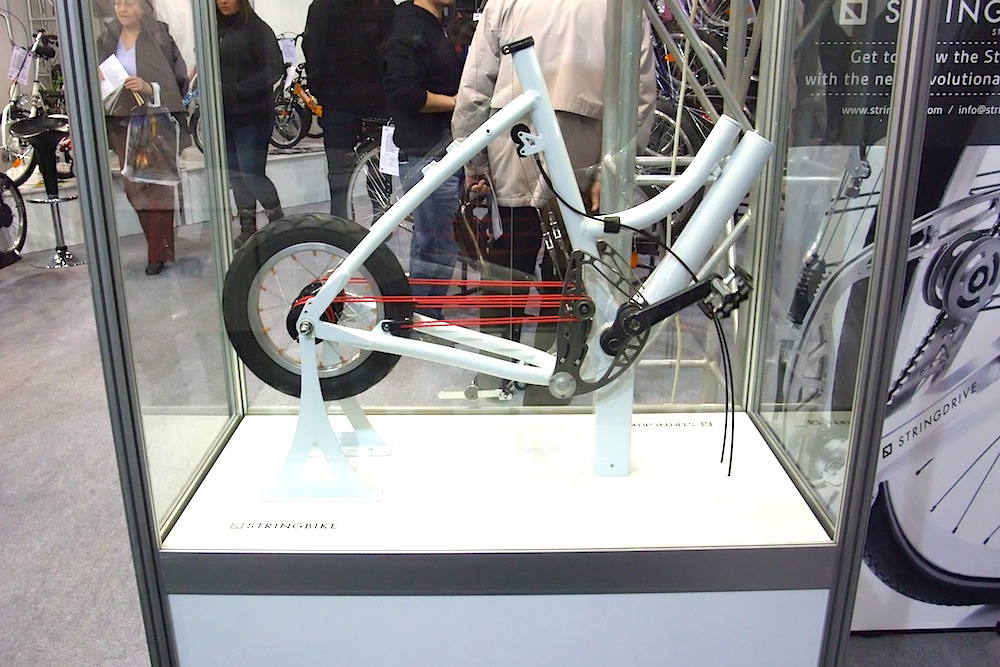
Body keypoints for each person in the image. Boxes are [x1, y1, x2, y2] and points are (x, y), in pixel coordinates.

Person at [451, 0, 656, 399]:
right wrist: (611, 171)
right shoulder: (621, 6)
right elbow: (641, 96)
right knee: (569, 274)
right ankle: (553, 378)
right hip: (585, 150)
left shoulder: (505, 3)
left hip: (514, 144)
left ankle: (493, 372)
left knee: (506, 267)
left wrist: (474, 161)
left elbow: (475, 87)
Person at [383, 0, 464, 319]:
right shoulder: (409, 29)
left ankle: (420, 315)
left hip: (438, 151)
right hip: (426, 154)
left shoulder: (431, 27)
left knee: (432, 242)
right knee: (436, 246)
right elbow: (404, 94)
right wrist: (456, 102)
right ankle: (422, 319)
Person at [98, 0, 189, 275]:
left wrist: (150, 87)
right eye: (118, 2)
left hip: (155, 121)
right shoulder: (106, 40)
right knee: (133, 187)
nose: (122, 8)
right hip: (122, 122)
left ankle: (157, 253)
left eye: (129, 3)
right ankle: (160, 245)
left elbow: (178, 79)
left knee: (158, 186)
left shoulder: (159, 36)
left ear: (143, 7)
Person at [303, 0, 396, 217]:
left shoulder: (324, 6)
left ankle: (363, 221)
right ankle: (372, 222)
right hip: (353, 101)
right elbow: (314, 50)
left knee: (361, 171)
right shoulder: (325, 6)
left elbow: (313, 50)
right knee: (362, 171)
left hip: (355, 101)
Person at [216, 0, 285, 248]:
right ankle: (248, 229)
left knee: (251, 173)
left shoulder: (257, 29)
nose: (224, 1)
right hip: (224, 115)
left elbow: (274, 68)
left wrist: (241, 89)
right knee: (235, 175)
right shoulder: (214, 30)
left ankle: (279, 224)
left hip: (252, 115)